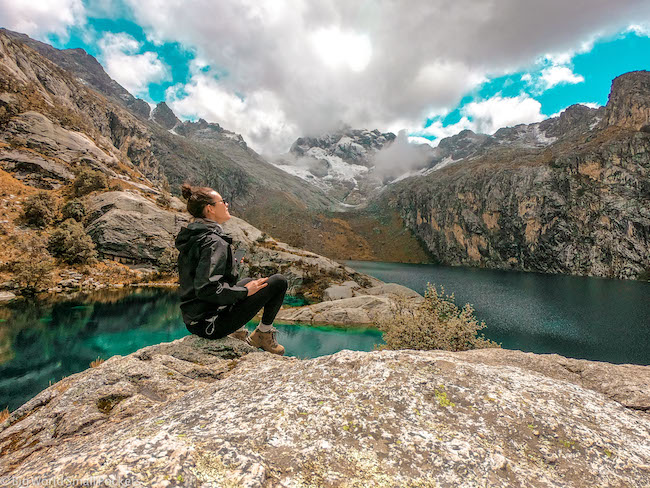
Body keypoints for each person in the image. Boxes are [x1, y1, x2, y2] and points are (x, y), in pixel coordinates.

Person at [175, 183, 287, 355]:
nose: (226, 204)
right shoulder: (214, 241)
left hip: (196, 321)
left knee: (250, 281)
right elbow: (207, 289)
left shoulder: (197, 236)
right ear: (210, 209)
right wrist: (244, 292)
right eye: (222, 201)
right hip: (210, 325)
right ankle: (263, 334)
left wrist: (229, 263)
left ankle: (239, 331)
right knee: (279, 282)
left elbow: (200, 275)